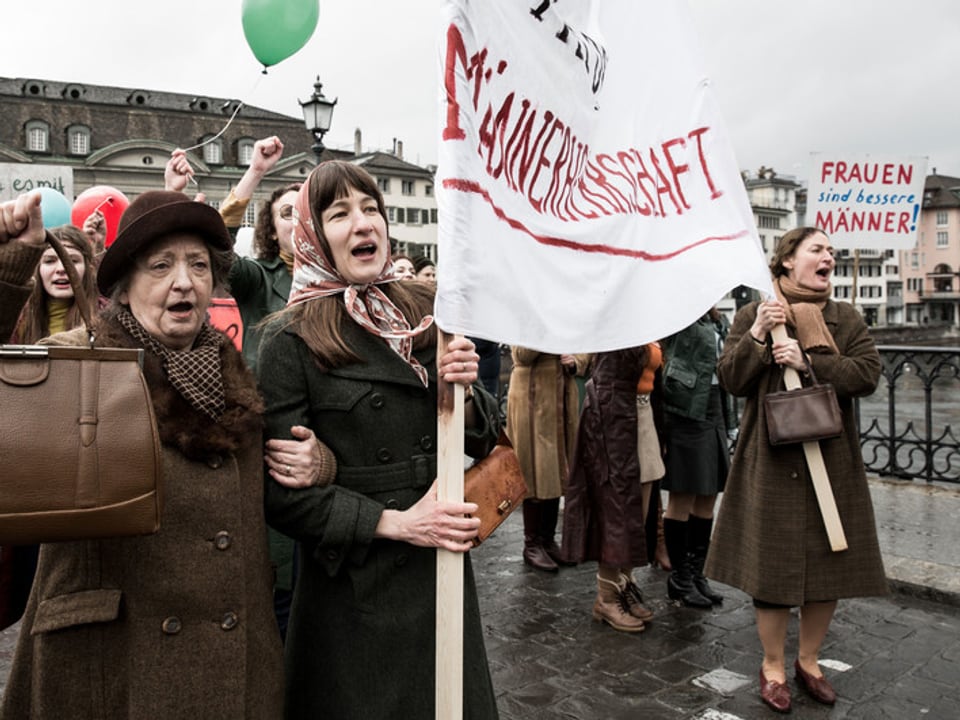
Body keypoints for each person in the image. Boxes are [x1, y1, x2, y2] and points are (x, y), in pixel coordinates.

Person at [0, 190, 322, 719]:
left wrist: (317, 463)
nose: (184, 281)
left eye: (199, 265)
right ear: (124, 288)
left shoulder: (236, 376)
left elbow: (270, 487)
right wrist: (10, 263)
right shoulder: (78, 362)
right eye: (161, 265)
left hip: (236, 661)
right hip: (107, 664)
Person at [256, 161, 501, 719]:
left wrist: (460, 388)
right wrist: (395, 523)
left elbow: (487, 435)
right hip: (353, 588)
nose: (362, 224)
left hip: (439, 575)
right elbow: (281, 496)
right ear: (314, 235)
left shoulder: (423, 314)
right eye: (340, 213)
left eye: (371, 209)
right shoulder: (288, 340)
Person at [705, 227, 887, 713]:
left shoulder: (845, 317)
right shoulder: (754, 313)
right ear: (787, 261)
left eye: (830, 251)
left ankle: (809, 661)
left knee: (828, 565)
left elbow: (866, 376)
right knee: (773, 569)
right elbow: (731, 379)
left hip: (831, 461)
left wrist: (810, 363)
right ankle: (772, 666)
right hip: (770, 458)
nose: (829, 256)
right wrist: (761, 336)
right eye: (818, 250)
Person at [166, 139, 304, 639]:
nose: (297, 219)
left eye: (308, 209)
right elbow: (216, 242)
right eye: (287, 211)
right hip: (268, 425)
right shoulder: (256, 277)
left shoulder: (344, 283)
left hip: (325, 428)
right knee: (277, 549)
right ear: (272, 228)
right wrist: (256, 172)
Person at [562, 346, 652, 633]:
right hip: (613, 416)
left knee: (635, 510)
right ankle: (608, 597)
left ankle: (623, 587)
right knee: (615, 507)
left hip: (635, 414)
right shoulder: (617, 317)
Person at [659, 308, 734, 609]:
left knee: (708, 494)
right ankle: (680, 578)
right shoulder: (678, 313)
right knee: (683, 495)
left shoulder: (717, 319)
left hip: (714, 406)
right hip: (686, 409)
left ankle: (696, 574)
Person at [506, 347, 590, 572]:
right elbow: (521, 355)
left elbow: (584, 344)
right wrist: (547, 336)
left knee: (556, 468)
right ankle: (531, 544)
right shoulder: (526, 311)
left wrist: (575, 361)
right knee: (533, 467)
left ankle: (547, 539)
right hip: (531, 396)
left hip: (561, 395)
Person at [13, 224, 98, 343]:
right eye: (49, 261)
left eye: (72, 261)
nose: (61, 268)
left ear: (89, 269)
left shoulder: (107, 320)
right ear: (37, 269)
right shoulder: (17, 320)